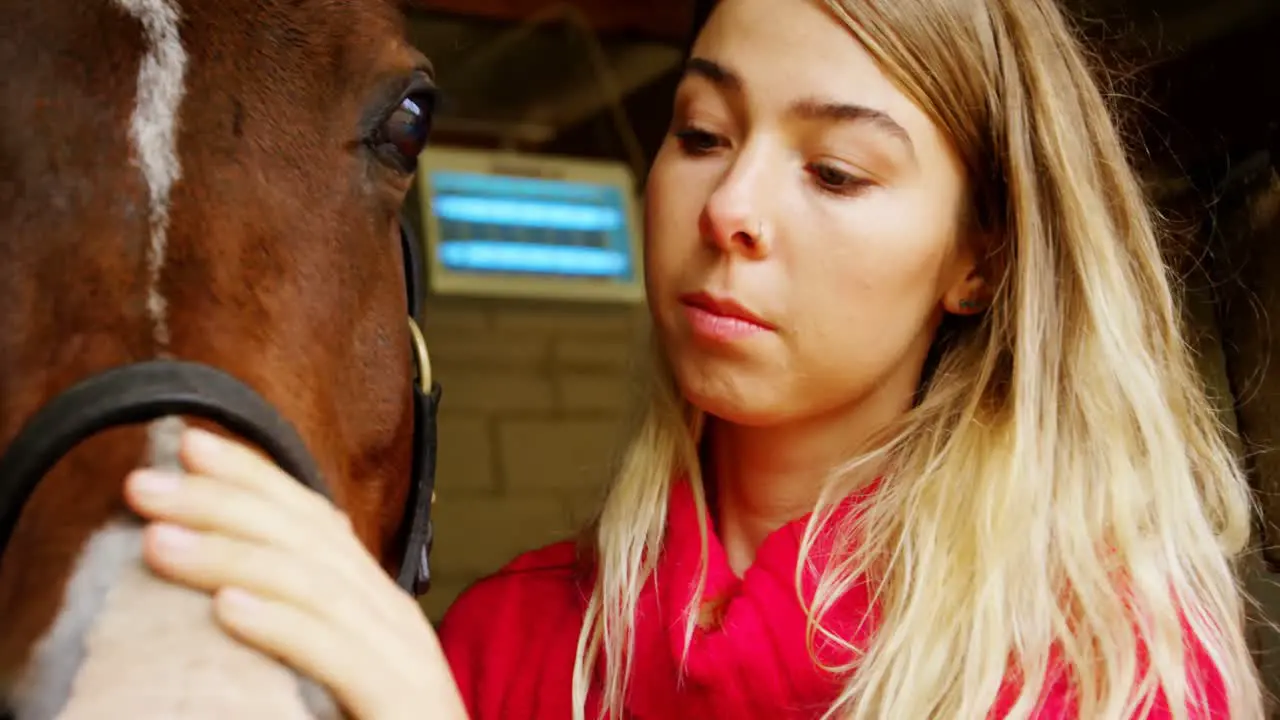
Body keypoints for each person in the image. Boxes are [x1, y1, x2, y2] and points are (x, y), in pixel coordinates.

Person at [122, 0, 1266, 717]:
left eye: (835, 171)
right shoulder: (504, 640)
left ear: (978, 257)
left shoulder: (1111, 661)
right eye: (701, 134)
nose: (729, 207)